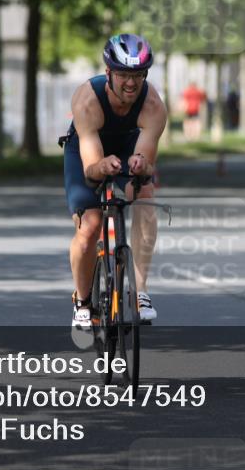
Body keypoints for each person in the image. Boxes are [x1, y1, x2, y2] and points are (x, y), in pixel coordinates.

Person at [63, 34, 167, 329]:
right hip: (86, 153)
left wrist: (139, 167)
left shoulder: (154, 106)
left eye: (137, 75)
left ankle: (140, 292)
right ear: (108, 72)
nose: (130, 83)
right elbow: (91, 171)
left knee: (145, 196)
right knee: (91, 225)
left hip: (128, 147)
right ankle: (83, 301)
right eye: (123, 75)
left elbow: (144, 168)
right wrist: (102, 166)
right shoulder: (87, 100)